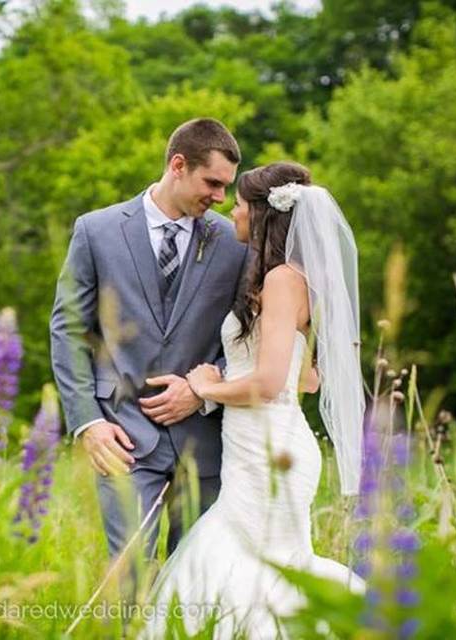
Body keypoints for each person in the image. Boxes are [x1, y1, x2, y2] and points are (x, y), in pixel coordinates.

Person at [140, 161, 366, 639]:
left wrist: (206, 387)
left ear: (264, 214)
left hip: (269, 453)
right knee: (261, 567)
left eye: (240, 204)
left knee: (250, 563)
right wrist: (234, 375)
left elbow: (267, 385)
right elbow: (305, 380)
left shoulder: (283, 280)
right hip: (261, 445)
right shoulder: (290, 280)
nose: (234, 212)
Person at [51, 118, 265, 569]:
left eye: (227, 188)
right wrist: (87, 423)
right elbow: (69, 329)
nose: (221, 199)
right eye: (212, 183)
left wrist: (203, 390)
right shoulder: (96, 231)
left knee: (196, 579)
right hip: (122, 436)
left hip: (205, 441)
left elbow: (250, 335)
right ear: (178, 165)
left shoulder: (234, 243)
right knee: (126, 575)